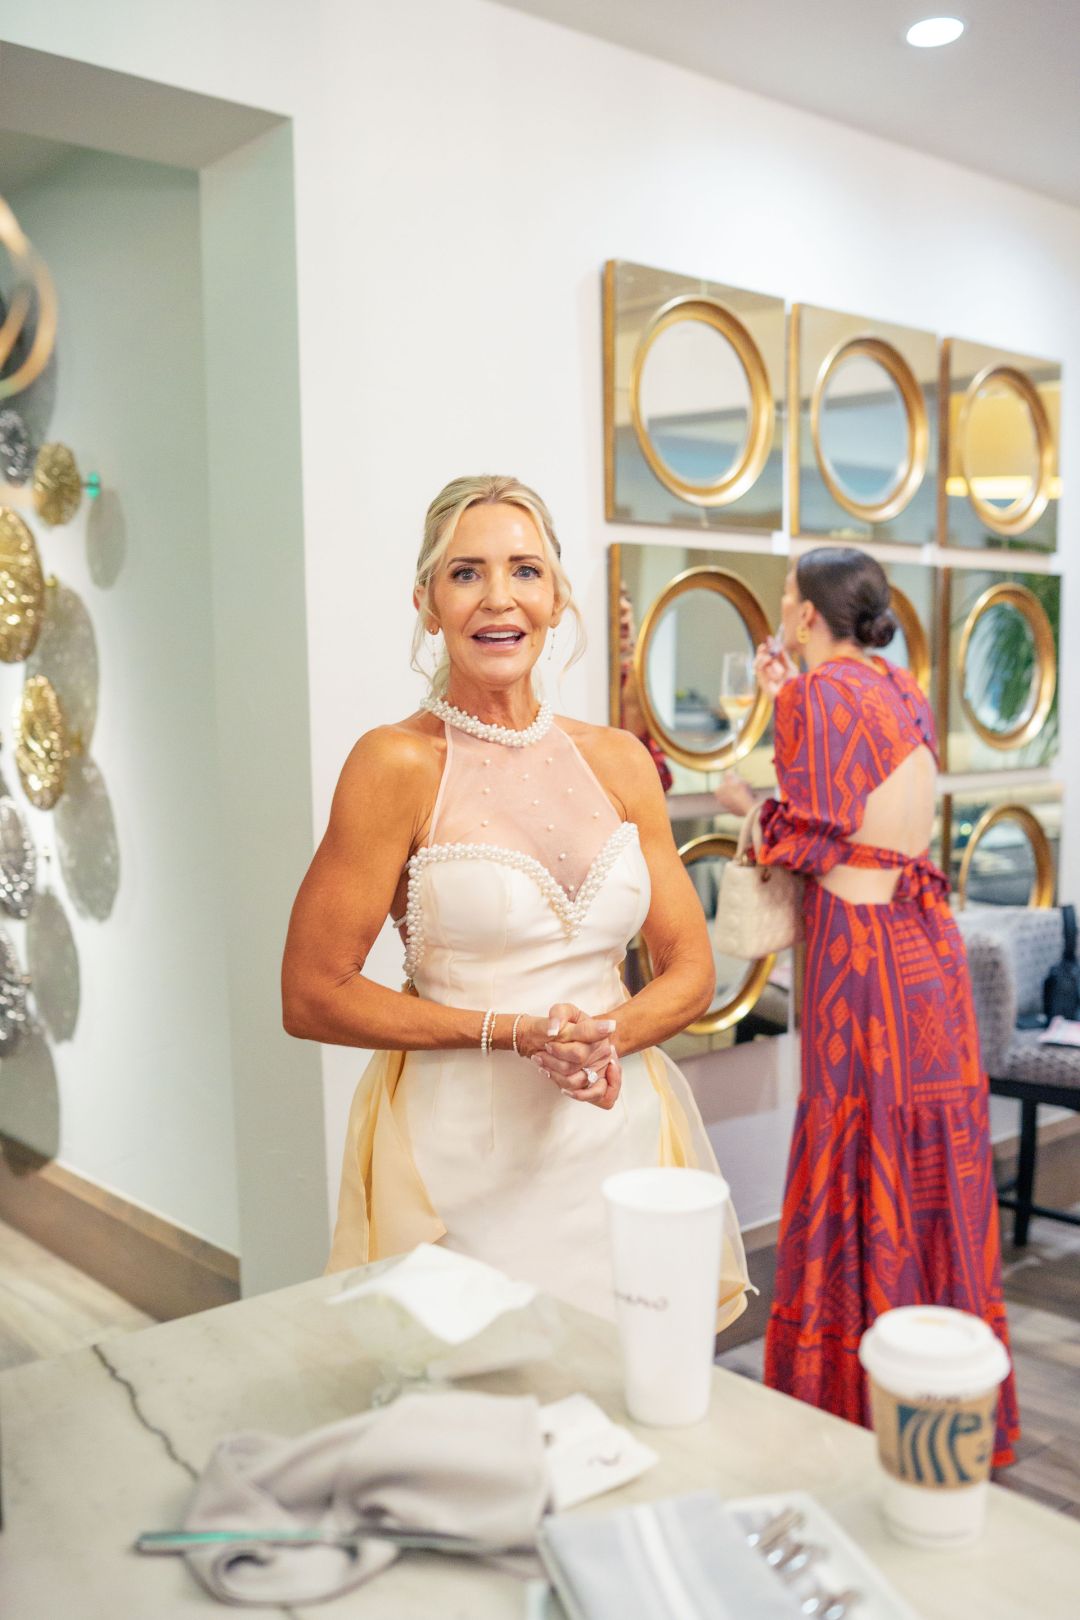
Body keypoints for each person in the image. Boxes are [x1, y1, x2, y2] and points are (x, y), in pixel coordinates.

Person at [281, 475, 750, 1325]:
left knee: (626, 1379)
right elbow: (312, 992)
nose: (499, 598)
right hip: (467, 1161)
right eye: (466, 573)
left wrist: (604, 1038)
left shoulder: (619, 760)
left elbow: (690, 966)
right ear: (427, 603)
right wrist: (514, 1033)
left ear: (558, 598)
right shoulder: (394, 765)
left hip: (617, 1136)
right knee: (473, 1381)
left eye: (525, 570)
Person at [718, 546, 1020, 1467]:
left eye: (786, 600)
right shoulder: (900, 687)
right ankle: (939, 1377)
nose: (782, 612)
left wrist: (744, 801)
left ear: (808, 614)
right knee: (929, 1152)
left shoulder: (816, 698)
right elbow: (864, 795)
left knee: (857, 1142)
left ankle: (847, 1398)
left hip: (861, 960)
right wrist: (788, 693)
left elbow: (811, 834)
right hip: (926, 946)